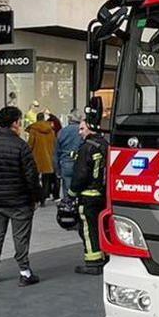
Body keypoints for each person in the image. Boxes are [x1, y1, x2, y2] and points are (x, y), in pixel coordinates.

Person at [0, 106, 43, 286]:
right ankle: (24, 271)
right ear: (15, 123)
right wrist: (37, 196)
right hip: (19, 200)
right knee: (20, 237)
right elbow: (31, 175)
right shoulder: (21, 146)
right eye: (20, 121)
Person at [71, 108, 109, 274]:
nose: (80, 132)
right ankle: (104, 256)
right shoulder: (105, 144)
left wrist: (71, 193)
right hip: (102, 195)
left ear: (90, 128)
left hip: (87, 195)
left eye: (82, 129)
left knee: (87, 229)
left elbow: (80, 175)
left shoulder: (86, 147)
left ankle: (93, 263)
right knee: (101, 227)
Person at [27, 110, 57, 205]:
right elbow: (54, 143)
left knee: (35, 179)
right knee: (46, 179)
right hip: (48, 157)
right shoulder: (51, 130)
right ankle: (44, 197)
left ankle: (37, 198)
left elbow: (30, 144)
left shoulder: (34, 129)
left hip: (36, 157)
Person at [55, 111, 82, 202]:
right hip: (80, 162)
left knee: (67, 187)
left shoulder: (62, 132)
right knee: (80, 186)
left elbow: (57, 152)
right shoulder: (82, 131)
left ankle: (68, 205)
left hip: (66, 163)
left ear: (69, 119)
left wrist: (57, 169)